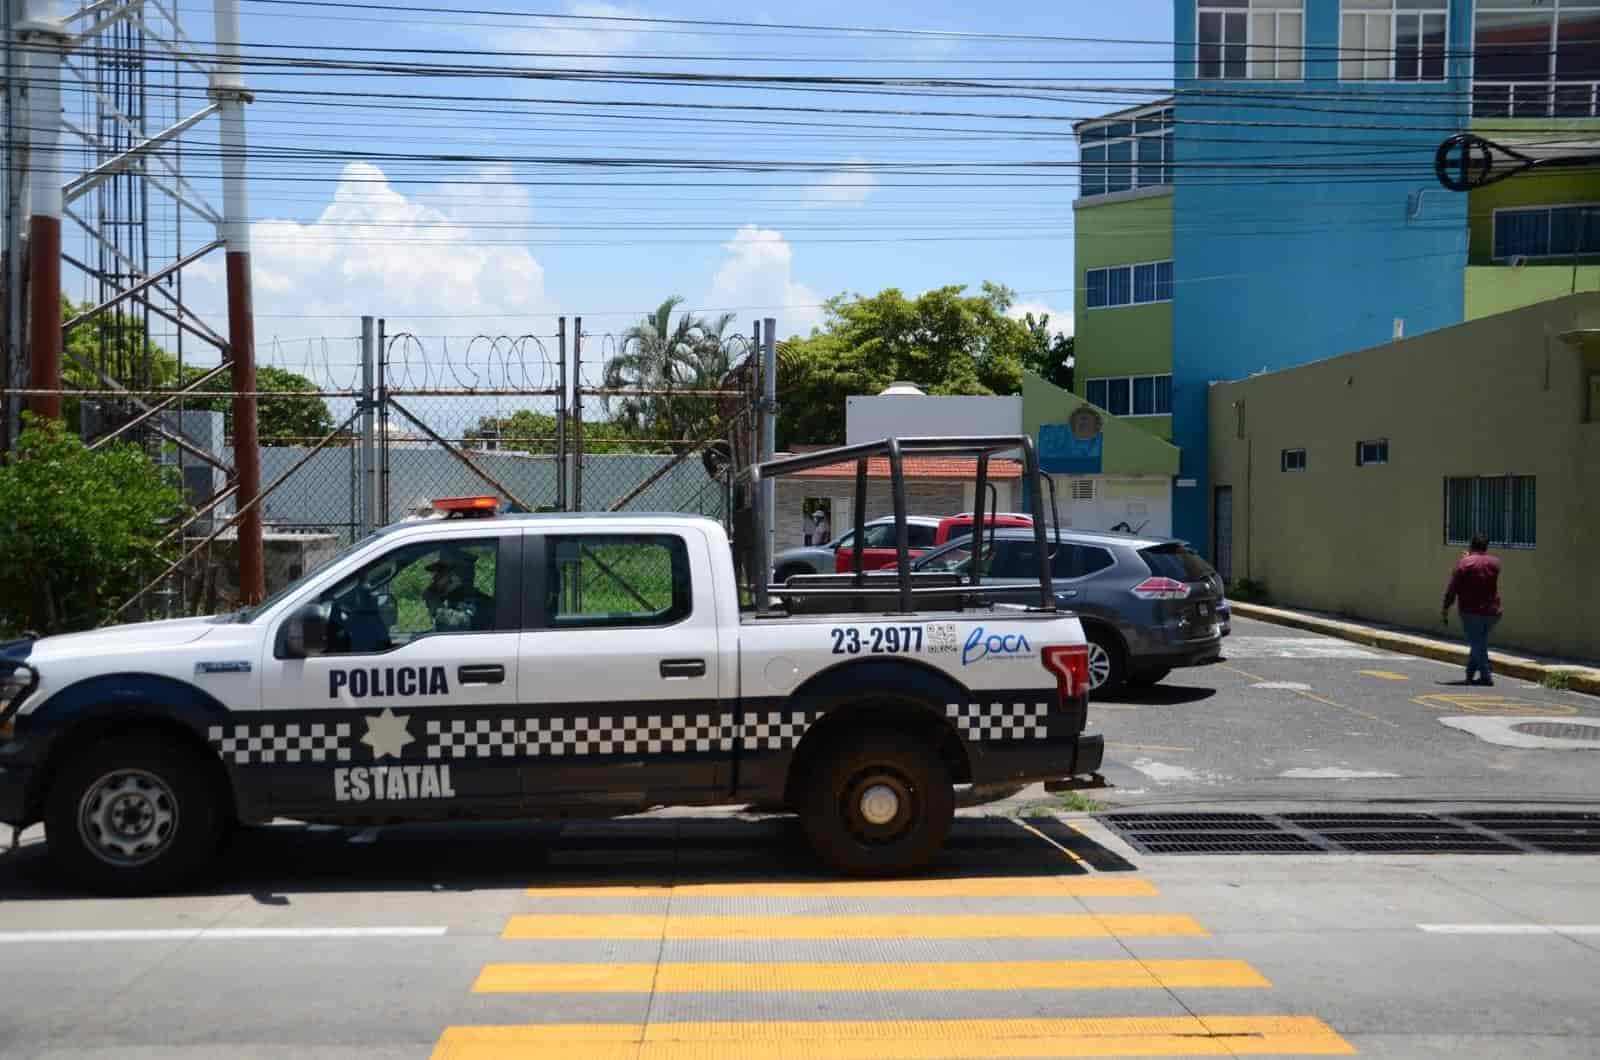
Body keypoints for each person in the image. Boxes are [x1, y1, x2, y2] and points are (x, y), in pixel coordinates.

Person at [1442, 534, 1502, 686]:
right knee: (1479, 643)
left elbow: (1452, 588)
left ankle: (1486, 676)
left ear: (1471, 545)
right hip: (1492, 611)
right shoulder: (1495, 563)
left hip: (1471, 611)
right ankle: (1470, 674)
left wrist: (1446, 607)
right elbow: (1481, 568)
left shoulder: (1464, 564)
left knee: (1476, 644)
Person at [423, 548, 494, 632]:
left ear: (457, 576)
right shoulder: (454, 600)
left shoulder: (480, 604)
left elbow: (461, 624)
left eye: (441, 573)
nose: (434, 578)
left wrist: (435, 605)